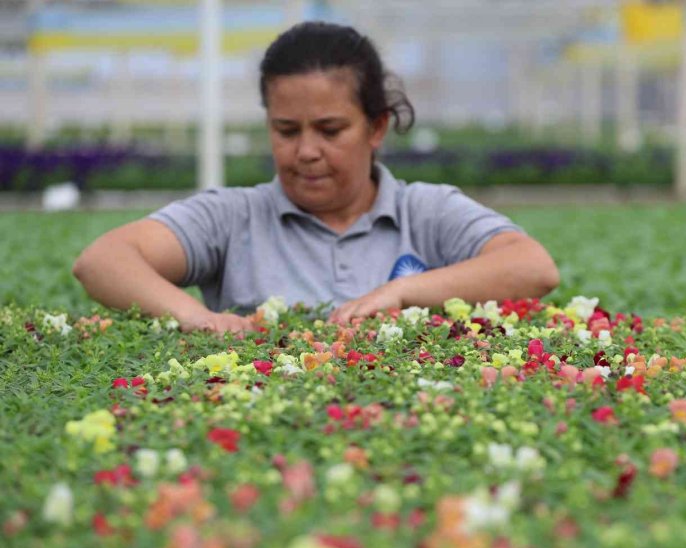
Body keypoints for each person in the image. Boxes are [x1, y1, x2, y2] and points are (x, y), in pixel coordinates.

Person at [73, 22, 559, 333]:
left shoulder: (426, 212)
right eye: (286, 130)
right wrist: (198, 318)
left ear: (376, 127)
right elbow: (103, 260)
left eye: (330, 130)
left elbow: (533, 268)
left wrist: (402, 292)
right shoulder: (232, 217)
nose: (306, 152)